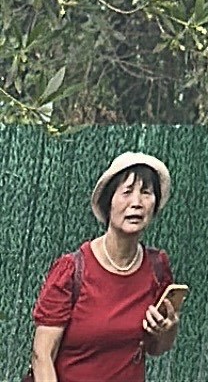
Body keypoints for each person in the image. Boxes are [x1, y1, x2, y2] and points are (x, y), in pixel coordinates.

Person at [31, 158, 183, 382]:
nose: (137, 202)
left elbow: (156, 348)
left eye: (146, 192)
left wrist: (168, 329)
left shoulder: (157, 268)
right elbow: (41, 355)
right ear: (108, 202)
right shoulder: (72, 270)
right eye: (127, 192)